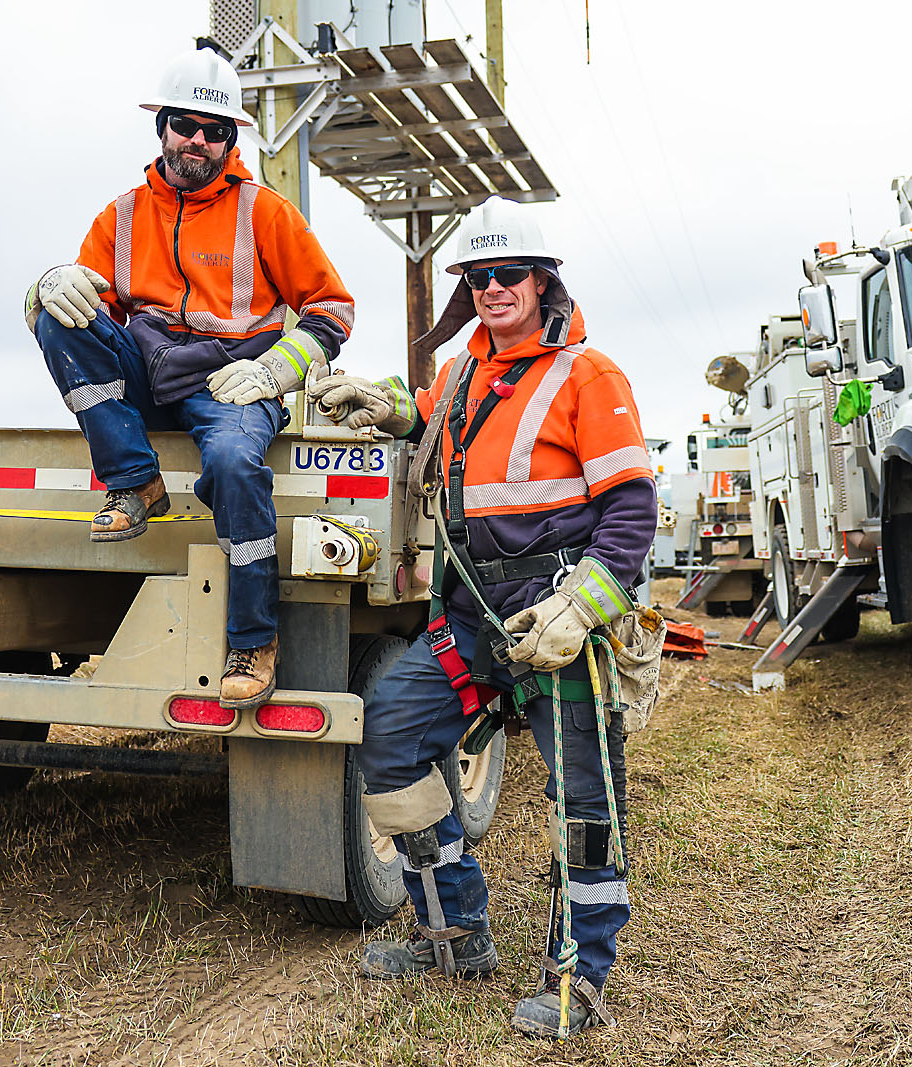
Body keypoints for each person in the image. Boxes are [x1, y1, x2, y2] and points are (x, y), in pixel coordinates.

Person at [307, 196, 658, 1038]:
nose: (495, 287)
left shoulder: (588, 374)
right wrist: (389, 405)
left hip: (554, 618)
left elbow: (632, 511)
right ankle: (452, 932)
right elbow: (428, 414)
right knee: (391, 731)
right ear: (467, 288)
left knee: (582, 797)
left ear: (542, 282)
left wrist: (584, 607)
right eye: (479, 275)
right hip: (472, 617)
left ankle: (580, 978)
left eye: (510, 273)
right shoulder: (465, 373)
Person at [23, 48, 354, 711]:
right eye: (185, 125)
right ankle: (134, 481)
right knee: (58, 316)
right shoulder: (121, 215)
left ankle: (254, 641)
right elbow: (88, 314)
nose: (197, 140)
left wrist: (271, 372)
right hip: (149, 375)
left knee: (234, 463)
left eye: (214, 129)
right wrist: (42, 288)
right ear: (162, 128)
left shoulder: (265, 212)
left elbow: (332, 311)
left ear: (231, 140)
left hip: (234, 384)